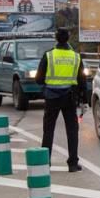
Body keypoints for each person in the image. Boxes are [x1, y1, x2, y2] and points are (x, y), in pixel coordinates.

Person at [36, 28, 86, 172]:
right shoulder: (76, 57)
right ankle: (72, 163)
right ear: (68, 38)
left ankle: (45, 163)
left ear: (56, 38)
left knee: (48, 130)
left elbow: (39, 79)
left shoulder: (49, 55)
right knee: (72, 130)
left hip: (52, 97)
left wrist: (47, 84)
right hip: (70, 97)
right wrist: (84, 99)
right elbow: (82, 80)